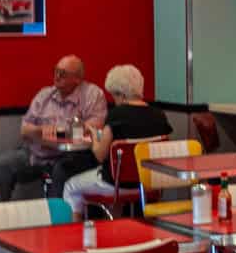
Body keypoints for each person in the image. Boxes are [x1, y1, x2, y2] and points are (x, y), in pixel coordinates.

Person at [0, 56, 106, 201]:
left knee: (61, 170)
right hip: (36, 154)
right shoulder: (44, 95)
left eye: (62, 73)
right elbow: (25, 130)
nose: (57, 76)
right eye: (56, 71)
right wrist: (47, 132)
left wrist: (46, 132)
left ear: (77, 79)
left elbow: (93, 130)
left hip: (71, 157)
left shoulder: (92, 95)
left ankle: (57, 221)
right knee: (1, 166)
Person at [62, 65, 172, 218]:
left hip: (116, 185)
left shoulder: (116, 115)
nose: (114, 100)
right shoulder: (159, 115)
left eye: (114, 95)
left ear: (121, 94)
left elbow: (100, 155)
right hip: (150, 184)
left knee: (70, 186)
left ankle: (74, 236)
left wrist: (94, 138)